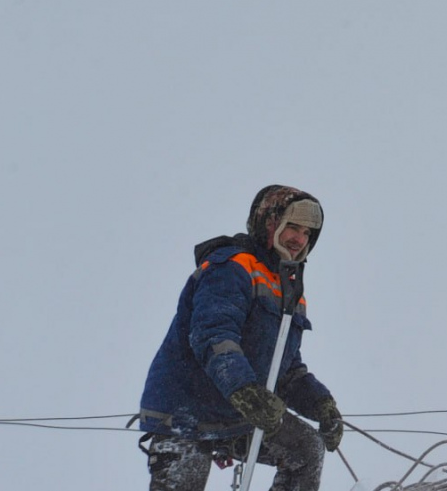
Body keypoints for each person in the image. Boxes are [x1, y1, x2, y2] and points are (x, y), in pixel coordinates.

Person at [136, 185, 344, 491]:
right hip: (186, 414)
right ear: (269, 222)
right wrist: (246, 391)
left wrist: (320, 404)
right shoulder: (231, 266)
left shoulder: (287, 287)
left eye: (308, 233)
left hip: (238, 415)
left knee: (306, 449)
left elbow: (283, 368)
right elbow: (213, 335)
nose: (300, 239)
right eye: (293, 227)